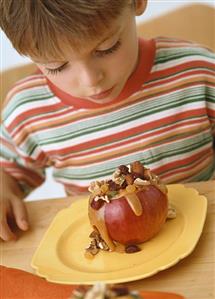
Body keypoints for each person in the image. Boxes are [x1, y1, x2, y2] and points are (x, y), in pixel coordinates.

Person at [0, 0, 214, 241]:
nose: (91, 80)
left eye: (107, 48)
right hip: (106, 262)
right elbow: (7, 170)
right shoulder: (27, 111)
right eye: (57, 66)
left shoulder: (197, 73)